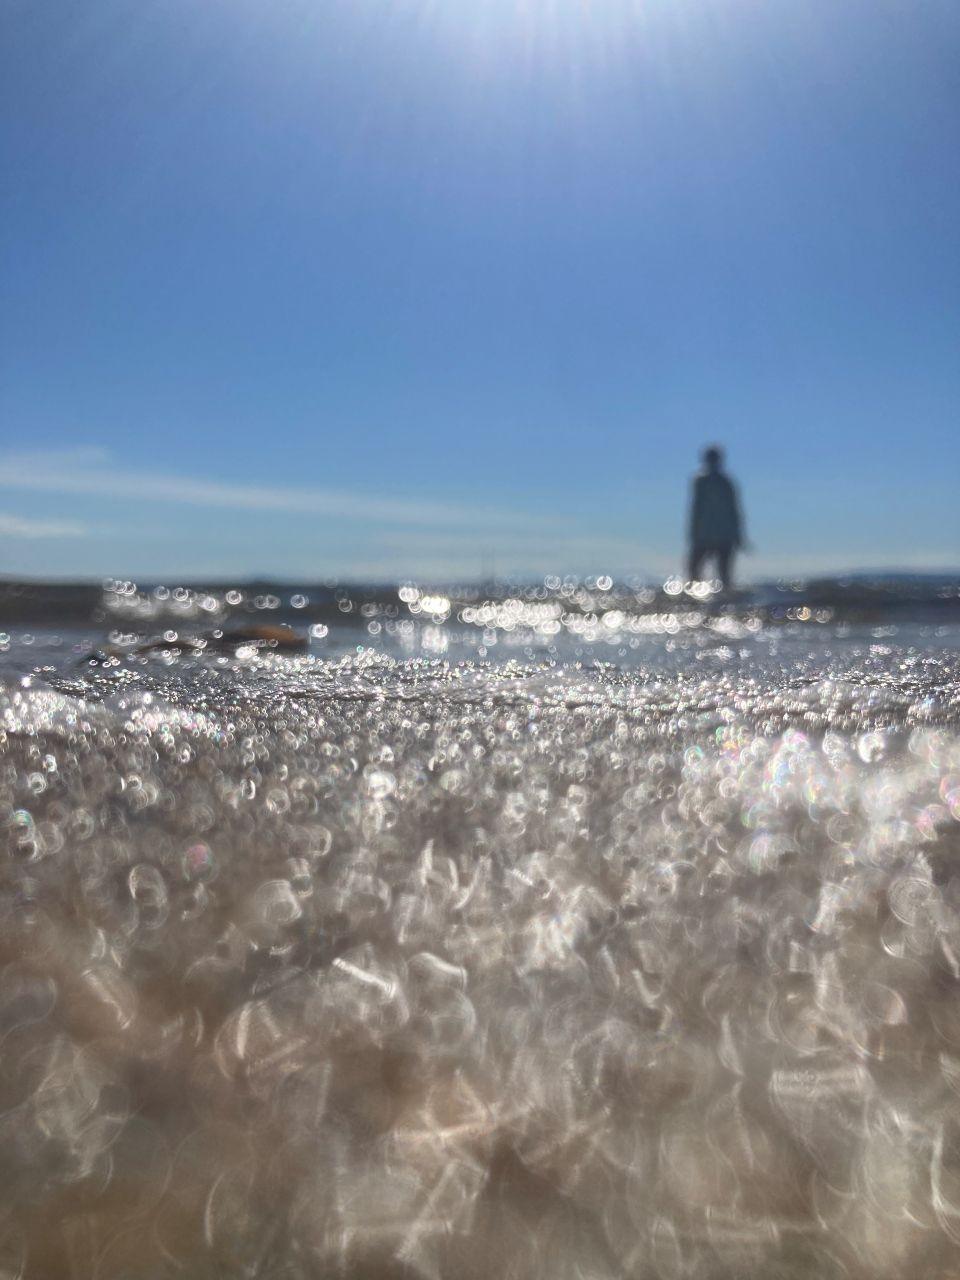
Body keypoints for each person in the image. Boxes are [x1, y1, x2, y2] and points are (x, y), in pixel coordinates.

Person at [687, 446, 745, 589]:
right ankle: (706, 601)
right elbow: (696, 509)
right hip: (708, 535)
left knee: (720, 574)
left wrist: (738, 535)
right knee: (698, 571)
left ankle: (720, 603)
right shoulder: (704, 481)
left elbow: (734, 510)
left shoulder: (723, 482)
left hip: (716, 535)